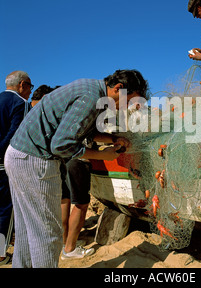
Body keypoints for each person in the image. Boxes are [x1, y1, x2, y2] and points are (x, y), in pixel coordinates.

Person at [4, 69, 149, 268]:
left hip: (17, 155)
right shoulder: (90, 98)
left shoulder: (90, 89)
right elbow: (61, 145)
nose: (127, 108)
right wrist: (102, 155)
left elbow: (80, 130)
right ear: (118, 89)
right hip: (35, 160)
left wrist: (112, 139)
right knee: (48, 235)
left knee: (26, 232)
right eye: (129, 101)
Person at [0, 71, 33, 265]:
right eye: (30, 86)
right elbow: (15, 137)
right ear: (22, 85)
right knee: (5, 210)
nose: (30, 91)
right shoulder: (20, 104)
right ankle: (1, 254)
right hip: (4, 165)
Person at [61, 158, 93, 260]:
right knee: (81, 204)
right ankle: (70, 249)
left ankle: (65, 243)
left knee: (64, 200)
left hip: (62, 160)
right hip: (78, 161)